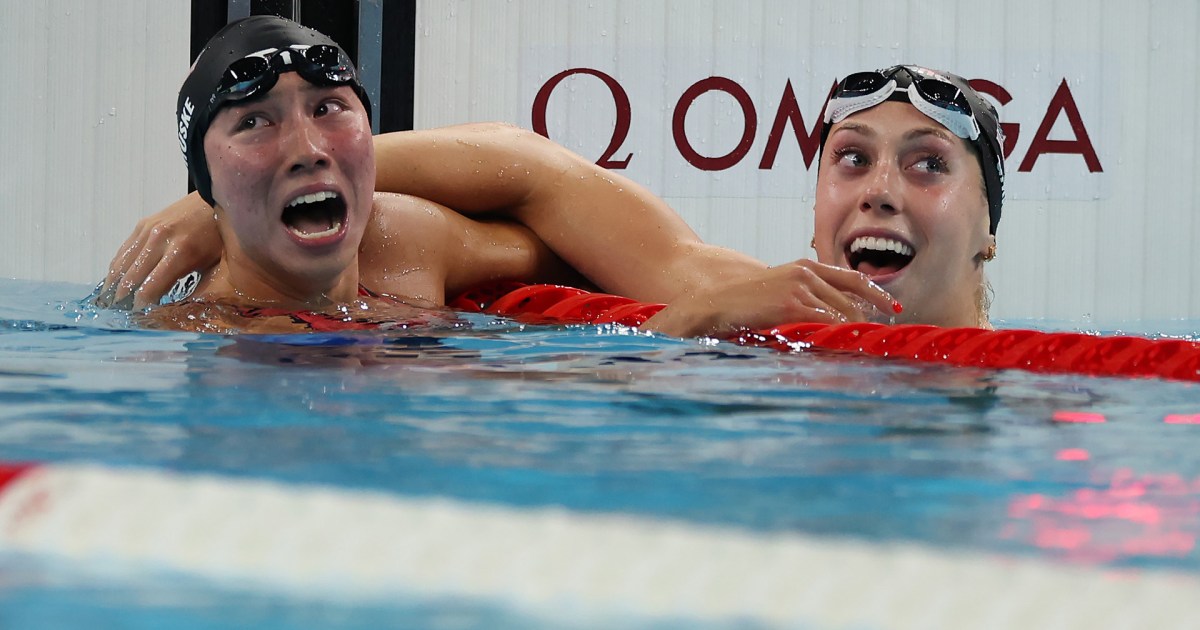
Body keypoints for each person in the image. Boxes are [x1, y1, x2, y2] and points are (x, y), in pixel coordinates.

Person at [98, 15, 896, 335]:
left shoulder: (400, 241)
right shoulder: (190, 340)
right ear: (200, 179)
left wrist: (705, 300)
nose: (307, 145)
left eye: (331, 108)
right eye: (255, 122)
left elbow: (557, 244)